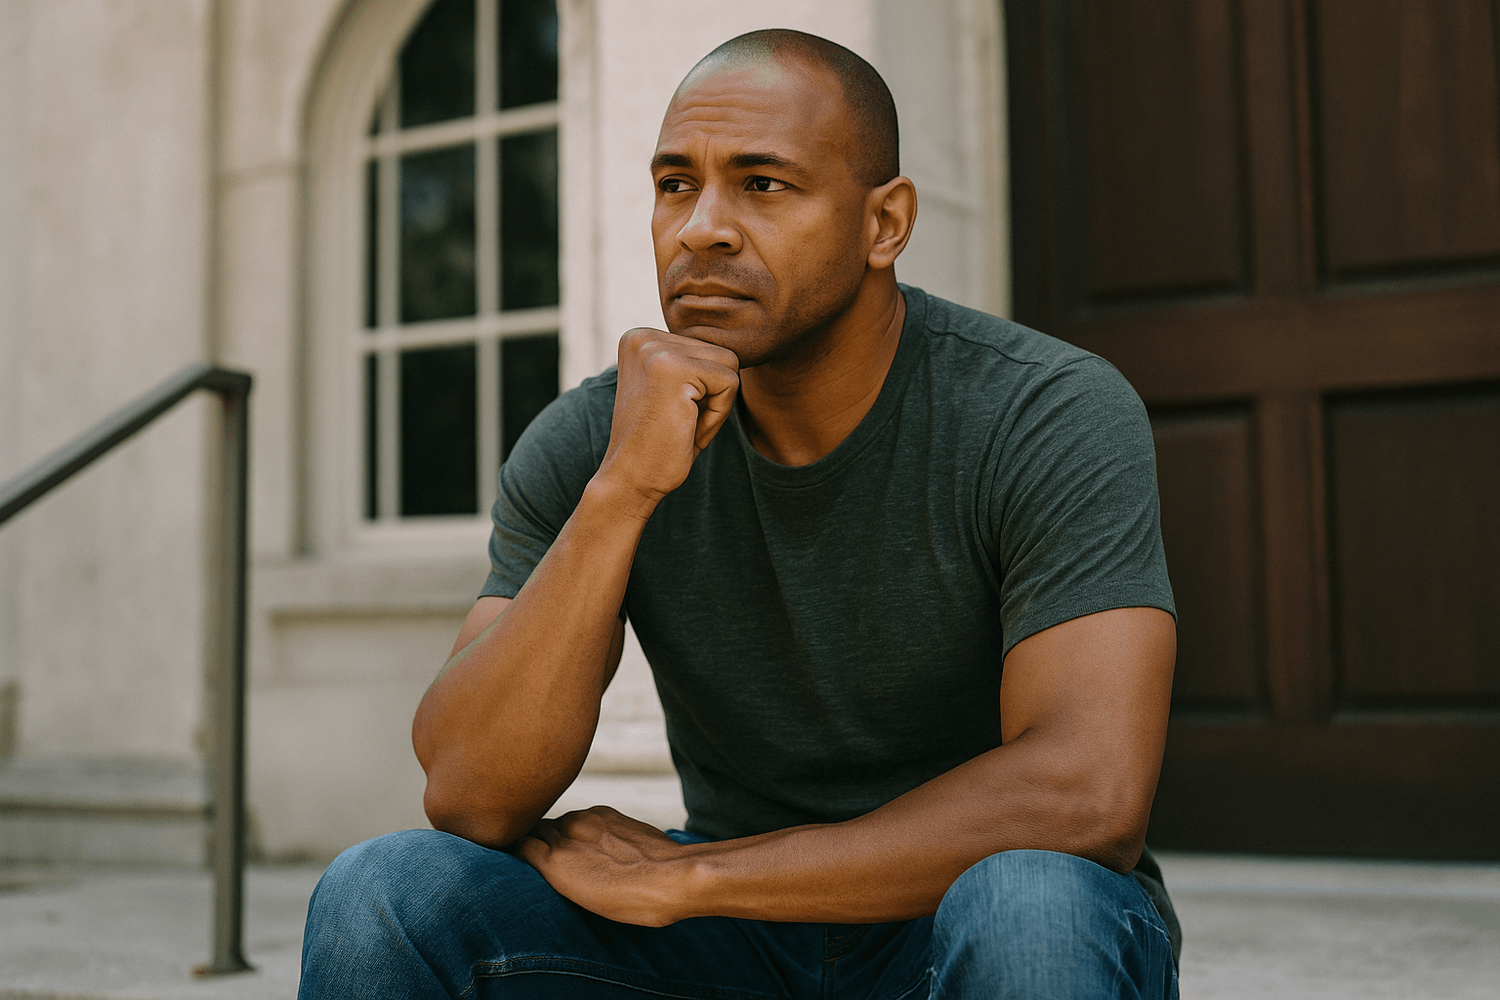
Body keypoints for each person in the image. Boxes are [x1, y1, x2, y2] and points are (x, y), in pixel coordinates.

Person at [300, 27, 1180, 999]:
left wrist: (695, 876)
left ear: (884, 224)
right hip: (732, 949)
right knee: (382, 891)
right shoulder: (597, 440)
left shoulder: (1042, 409)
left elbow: (1086, 791)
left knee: (1034, 904)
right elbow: (468, 790)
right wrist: (621, 493)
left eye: (763, 184)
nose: (700, 229)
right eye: (676, 184)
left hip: (956, 921)